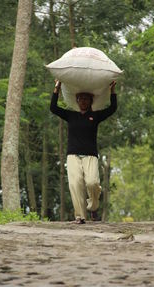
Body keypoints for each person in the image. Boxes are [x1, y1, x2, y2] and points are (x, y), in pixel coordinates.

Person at [50, 80, 117, 224]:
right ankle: (80, 216)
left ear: (91, 101)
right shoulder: (71, 115)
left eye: (86, 99)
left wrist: (112, 91)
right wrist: (57, 87)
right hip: (73, 155)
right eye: (81, 99)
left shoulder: (96, 116)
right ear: (77, 100)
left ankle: (93, 207)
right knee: (75, 184)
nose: (83, 101)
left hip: (90, 155)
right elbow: (53, 108)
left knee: (92, 183)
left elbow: (113, 108)